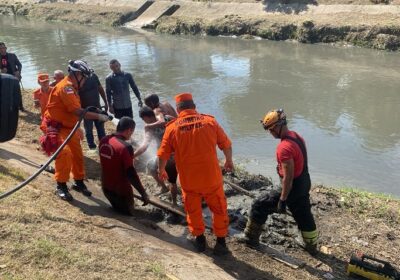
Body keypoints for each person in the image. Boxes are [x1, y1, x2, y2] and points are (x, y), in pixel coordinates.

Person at [157, 93, 234, 255]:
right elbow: (225, 144)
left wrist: (161, 170)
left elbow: (162, 154)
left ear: (178, 109)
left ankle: (200, 240)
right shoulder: (210, 122)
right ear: (194, 106)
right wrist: (228, 161)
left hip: (189, 181)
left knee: (193, 211)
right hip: (212, 179)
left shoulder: (172, 128)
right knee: (219, 210)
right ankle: (221, 243)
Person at [238, 109, 318, 255]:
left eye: (271, 129)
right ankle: (311, 245)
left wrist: (282, 199)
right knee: (304, 213)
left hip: (292, 187)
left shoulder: (284, 148)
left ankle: (250, 238)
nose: (270, 133)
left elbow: (288, 178)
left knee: (259, 204)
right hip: (305, 182)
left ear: (279, 125)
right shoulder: (296, 136)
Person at [41, 60, 111, 201]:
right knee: (65, 153)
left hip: (68, 127)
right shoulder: (66, 88)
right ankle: (61, 185)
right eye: (84, 77)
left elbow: (76, 108)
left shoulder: (73, 88)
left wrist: (95, 111)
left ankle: (79, 182)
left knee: (77, 154)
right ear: (78, 74)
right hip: (56, 127)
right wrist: (99, 116)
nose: (85, 81)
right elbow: (76, 111)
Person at [99, 117, 150, 215]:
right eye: (132, 132)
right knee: (129, 215)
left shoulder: (104, 140)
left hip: (106, 188)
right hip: (121, 192)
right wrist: (143, 193)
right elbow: (131, 173)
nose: (131, 135)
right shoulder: (125, 147)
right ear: (129, 130)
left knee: (117, 210)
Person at [135, 106, 178, 205]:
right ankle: (165, 189)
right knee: (152, 166)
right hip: (178, 152)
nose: (143, 121)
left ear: (146, 117)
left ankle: (174, 202)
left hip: (165, 156)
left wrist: (133, 155)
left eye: (143, 119)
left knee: (154, 168)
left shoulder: (149, 127)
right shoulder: (167, 118)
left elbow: (145, 146)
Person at [78, 70, 108, 150]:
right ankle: (92, 147)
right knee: (88, 130)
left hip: (97, 108)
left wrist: (105, 102)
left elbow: (100, 89)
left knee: (101, 128)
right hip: (86, 111)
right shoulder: (78, 80)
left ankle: (104, 146)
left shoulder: (94, 76)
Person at [0, 42, 24, 111]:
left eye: (3, 48)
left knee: (17, 92)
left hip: (15, 76)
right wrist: (1, 70)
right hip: (4, 78)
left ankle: (20, 106)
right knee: (7, 93)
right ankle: (11, 107)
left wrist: (18, 72)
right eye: (0, 48)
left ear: (6, 48)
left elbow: (19, 65)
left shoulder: (12, 55)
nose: (2, 50)